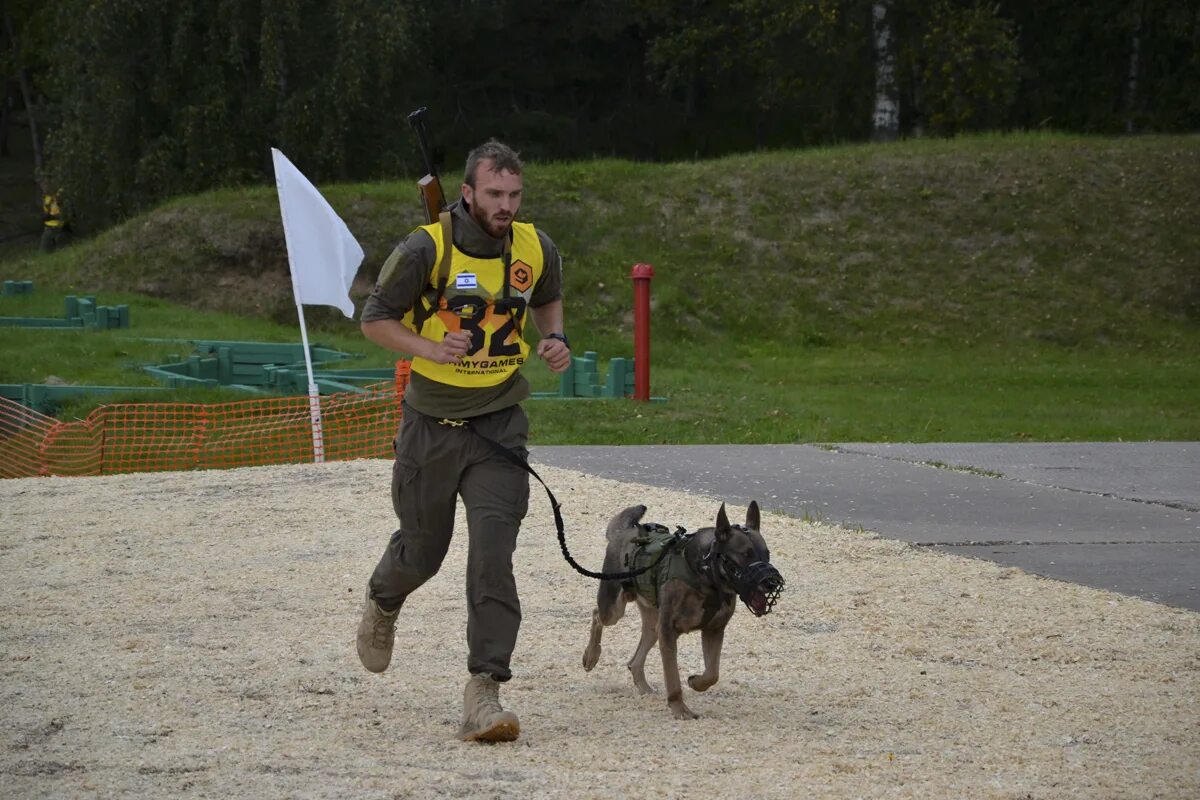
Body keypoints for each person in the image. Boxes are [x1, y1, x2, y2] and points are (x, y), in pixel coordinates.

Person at [355, 139, 571, 743]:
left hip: (499, 426)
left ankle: (485, 688)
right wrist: (429, 348)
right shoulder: (426, 246)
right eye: (494, 194)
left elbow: (547, 299)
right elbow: (374, 318)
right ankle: (383, 598)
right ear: (468, 193)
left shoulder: (536, 247)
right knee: (425, 550)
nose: (506, 206)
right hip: (430, 428)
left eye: (515, 195)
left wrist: (555, 339)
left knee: (492, 558)